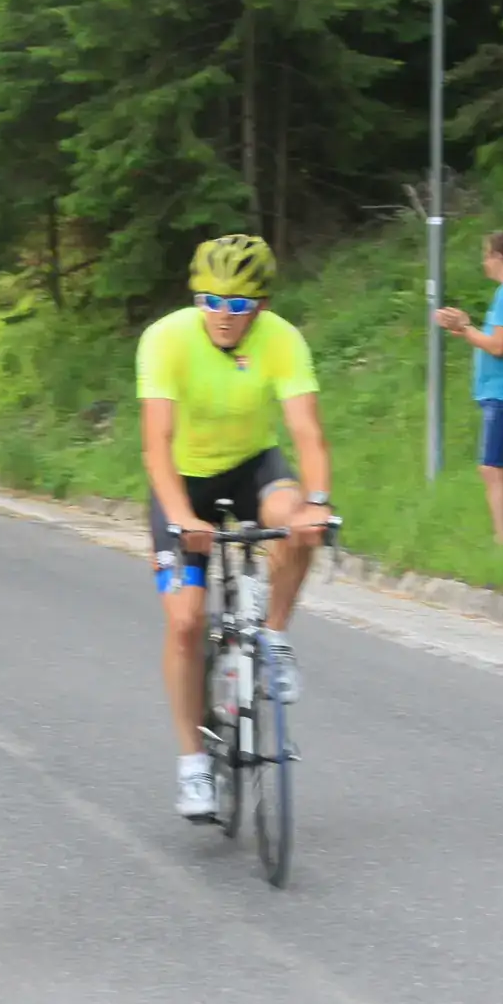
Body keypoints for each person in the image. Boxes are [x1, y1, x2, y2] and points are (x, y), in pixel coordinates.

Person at [138, 234, 335, 821]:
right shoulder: (166, 340)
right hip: (183, 478)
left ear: (262, 306)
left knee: (297, 522)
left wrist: (317, 503)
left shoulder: (283, 340)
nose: (223, 316)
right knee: (185, 622)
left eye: (239, 304)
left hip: (253, 466)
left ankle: (273, 638)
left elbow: (307, 433)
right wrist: (182, 518)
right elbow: (156, 445)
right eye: (211, 301)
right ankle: (193, 762)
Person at [436, 231, 503, 545]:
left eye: (486, 255)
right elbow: (498, 339)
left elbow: (498, 346)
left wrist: (465, 328)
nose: (483, 262)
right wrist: (465, 328)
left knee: (492, 469)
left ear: (498, 256)